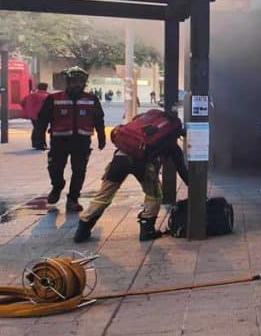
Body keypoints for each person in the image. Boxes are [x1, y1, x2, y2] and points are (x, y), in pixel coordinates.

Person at [75, 114, 188, 243]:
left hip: (119, 159)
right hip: (143, 166)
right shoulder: (170, 143)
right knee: (154, 195)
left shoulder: (145, 123)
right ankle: (147, 230)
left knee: (104, 195)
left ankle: (83, 228)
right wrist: (196, 190)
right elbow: (182, 169)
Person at [36, 67, 105, 212]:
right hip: (59, 141)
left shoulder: (91, 99)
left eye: (80, 82)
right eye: (73, 81)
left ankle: (73, 199)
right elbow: (42, 119)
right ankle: (57, 186)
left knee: (79, 171)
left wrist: (101, 136)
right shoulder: (54, 98)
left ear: (84, 83)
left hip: (81, 141)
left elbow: (98, 119)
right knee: (55, 168)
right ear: (68, 82)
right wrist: (39, 136)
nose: (76, 85)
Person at [22, 83, 50, 150]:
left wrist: (28, 110)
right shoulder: (47, 96)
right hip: (42, 115)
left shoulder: (31, 95)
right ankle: (41, 145)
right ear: (46, 88)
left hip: (32, 115)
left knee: (36, 129)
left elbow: (22, 102)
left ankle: (35, 143)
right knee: (41, 130)